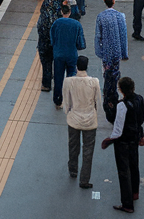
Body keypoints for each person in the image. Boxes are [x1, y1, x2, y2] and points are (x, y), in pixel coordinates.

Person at [102, 76, 144, 213]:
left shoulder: (122, 105)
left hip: (123, 142)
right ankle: (135, 193)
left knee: (123, 172)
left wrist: (109, 140)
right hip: (134, 139)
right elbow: (141, 120)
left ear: (121, 90)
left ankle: (127, 204)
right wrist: (141, 135)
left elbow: (118, 128)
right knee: (134, 166)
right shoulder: (140, 99)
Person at [63, 55, 100, 189]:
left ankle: (73, 169)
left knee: (73, 146)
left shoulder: (68, 81)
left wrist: (69, 113)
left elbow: (66, 103)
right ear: (87, 66)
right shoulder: (94, 82)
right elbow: (98, 102)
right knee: (88, 150)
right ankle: (84, 180)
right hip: (90, 120)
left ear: (76, 66)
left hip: (74, 119)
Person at [95, 0, 129, 120]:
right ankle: (113, 95)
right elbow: (123, 35)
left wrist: (99, 52)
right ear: (113, 2)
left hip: (106, 52)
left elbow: (98, 36)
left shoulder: (101, 17)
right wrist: (124, 53)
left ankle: (107, 96)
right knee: (115, 73)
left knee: (107, 73)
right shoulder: (120, 16)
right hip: (116, 51)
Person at [50, 3, 86, 107]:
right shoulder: (76, 24)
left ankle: (58, 100)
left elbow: (52, 39)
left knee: (58, 77)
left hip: (59, 54)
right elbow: (81, 43)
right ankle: (70, 99)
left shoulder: (56, 23)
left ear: (62, 12)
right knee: (71, 77)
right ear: (70, 12)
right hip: (71, 54)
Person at [37, 0, 71, 93]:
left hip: (43, 40)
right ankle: (56, 84)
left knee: (46, 60)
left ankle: (46, 83)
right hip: (54, 42)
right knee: (56, 62)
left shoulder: (45, 8)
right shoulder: (57, 16)